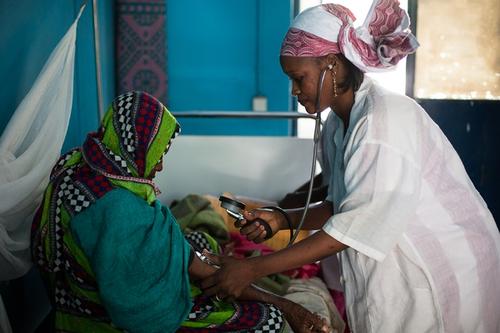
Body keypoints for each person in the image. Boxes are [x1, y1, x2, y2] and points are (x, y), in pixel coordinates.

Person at [200, 1, 500, 332]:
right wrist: (281, 218)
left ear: (331, 64)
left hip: (441, 268)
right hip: (394, 263)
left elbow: (354, 226)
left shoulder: (382, 122)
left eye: (299, 78)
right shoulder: (336, 125)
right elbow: (342, 205)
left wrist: (252, 270)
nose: (295, 91)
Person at [31, 91, 330, 332]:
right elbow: (189, 270)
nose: (159, 167)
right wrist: (285, 306)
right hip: (103, 318)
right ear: (135, 147)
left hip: (69, 304)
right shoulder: (120, 208)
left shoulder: (77, 171)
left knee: (198, 242)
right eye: (157, 155)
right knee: (268, 321)